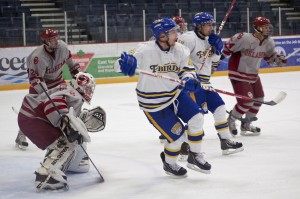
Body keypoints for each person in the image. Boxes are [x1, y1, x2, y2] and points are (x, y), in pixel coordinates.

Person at [114, 17, 211, 177]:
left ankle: (195, 155)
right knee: (177, 139)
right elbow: (118, 64)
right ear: (162, 35)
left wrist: (189, 79)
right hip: (154, 103)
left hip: (175, 94)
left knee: (197, 118)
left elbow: (187, 69)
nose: (177, 34)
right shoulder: (144, 50)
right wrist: (125, 63)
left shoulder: (180, 49)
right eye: (173, 32)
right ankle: (170, 163)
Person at [17, 72, 106, 190]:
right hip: (34, 118)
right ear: (82, 85)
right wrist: (67, 125)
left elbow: (56, 107)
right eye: (89, 88)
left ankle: (51, 167)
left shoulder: (67, 89)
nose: (90, 91)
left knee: (61, 140)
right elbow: (52, 104)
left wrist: (69, 124)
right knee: (67, 141)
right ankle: (46, 174)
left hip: (29, 117)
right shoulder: (74, 94)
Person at [177, 12, 243, 155]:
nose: (211, 27)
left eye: (212, 24)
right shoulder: (188, 38)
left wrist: (217, 49)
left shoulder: (210, 39)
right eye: (207, 25)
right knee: (196, 115)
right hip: (193, 83)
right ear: (199, 26)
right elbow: (177, 57)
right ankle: (185, 148)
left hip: (206, 82)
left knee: (220, 108)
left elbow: (214, 64)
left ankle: (225, 141)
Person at [15, 28, 81, 150]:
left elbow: (71, 64)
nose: (56, 41)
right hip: (41, 85)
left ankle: (68, 126)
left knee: (66, 103)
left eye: (56, 37)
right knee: (33, 111)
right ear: (45, 41)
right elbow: (36, 80)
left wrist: (79, 76)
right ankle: (21, 135)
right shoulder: (38, 57)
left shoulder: (63, 47)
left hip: (58, 82)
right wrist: (48, 96)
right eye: (52, 39)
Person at [223, 16, 287, 136]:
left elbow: (270, 59)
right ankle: (230, 121)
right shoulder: (244, 38)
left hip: (253, 75)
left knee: (258, 99)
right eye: (265, 27)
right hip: (238, 74)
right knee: (246, 102)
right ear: (257, 28)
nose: (268, 29)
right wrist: (216, 61)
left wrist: (278, 60)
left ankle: (246, 124)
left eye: (269, 27)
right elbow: (227, 48)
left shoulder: (269, 42)